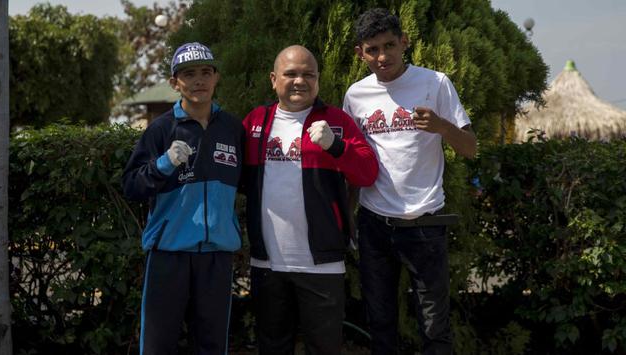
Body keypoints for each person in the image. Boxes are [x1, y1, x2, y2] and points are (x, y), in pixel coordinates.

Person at [343, 8, 477, 355]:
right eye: (372, 49)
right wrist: (349, 217)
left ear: (405, 42)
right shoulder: (355, 96)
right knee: (380, 324)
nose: (382, 56)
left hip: (425, 224)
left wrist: (443, 128)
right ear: (360, 53)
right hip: (374, 224)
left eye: (389, 45)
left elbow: (471, 148)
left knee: (434, 327)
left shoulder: (435, 83)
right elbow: (356, 164)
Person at [241, 45, 378, 355]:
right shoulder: (254, 122)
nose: (299, 81)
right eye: (291, 74)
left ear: (318, 80)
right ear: (273, 79)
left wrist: (336, 146)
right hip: (267, 263)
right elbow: (234, 179)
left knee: (324, 349)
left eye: (308, 74)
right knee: (272, 347)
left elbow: (367, 174)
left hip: (322, 265)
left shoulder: (337, 121)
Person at [122, 42, 244, 355]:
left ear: (216, 77)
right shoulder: (160, 130)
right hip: (169, 254)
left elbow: (250, 185)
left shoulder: (232, 128)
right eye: (189, 74)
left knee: (212, 345)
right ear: (175, 82)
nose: (199, 80)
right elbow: (132, 186)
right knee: (158, 345)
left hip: (216, 256)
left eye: (206, 72)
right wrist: (163, 163)